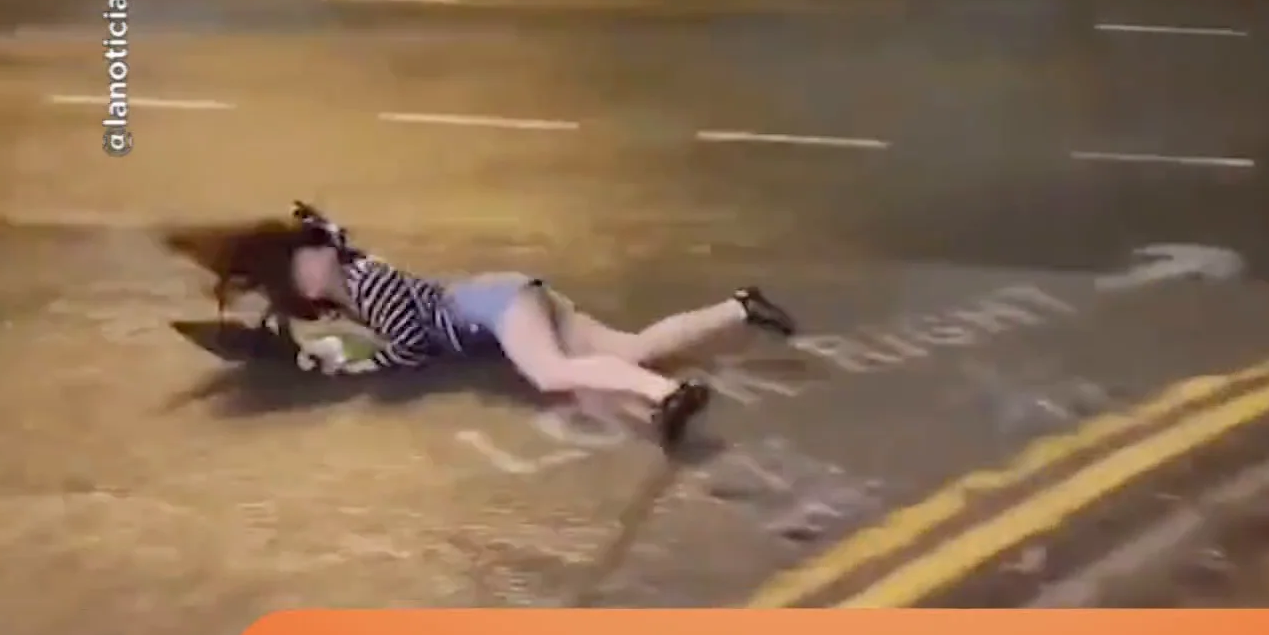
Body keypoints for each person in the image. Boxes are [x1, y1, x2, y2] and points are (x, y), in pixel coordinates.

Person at [161, 203, 797, 447]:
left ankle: (667, 399)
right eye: (301, 269)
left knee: (554, 374)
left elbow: (412, 347)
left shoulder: (364, 285)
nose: (307, 276)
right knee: (630, 348)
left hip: (496, 309)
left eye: (304, 265)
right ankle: (740, 308)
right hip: (511, 296)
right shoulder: (357, 273)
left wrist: (359, 364)